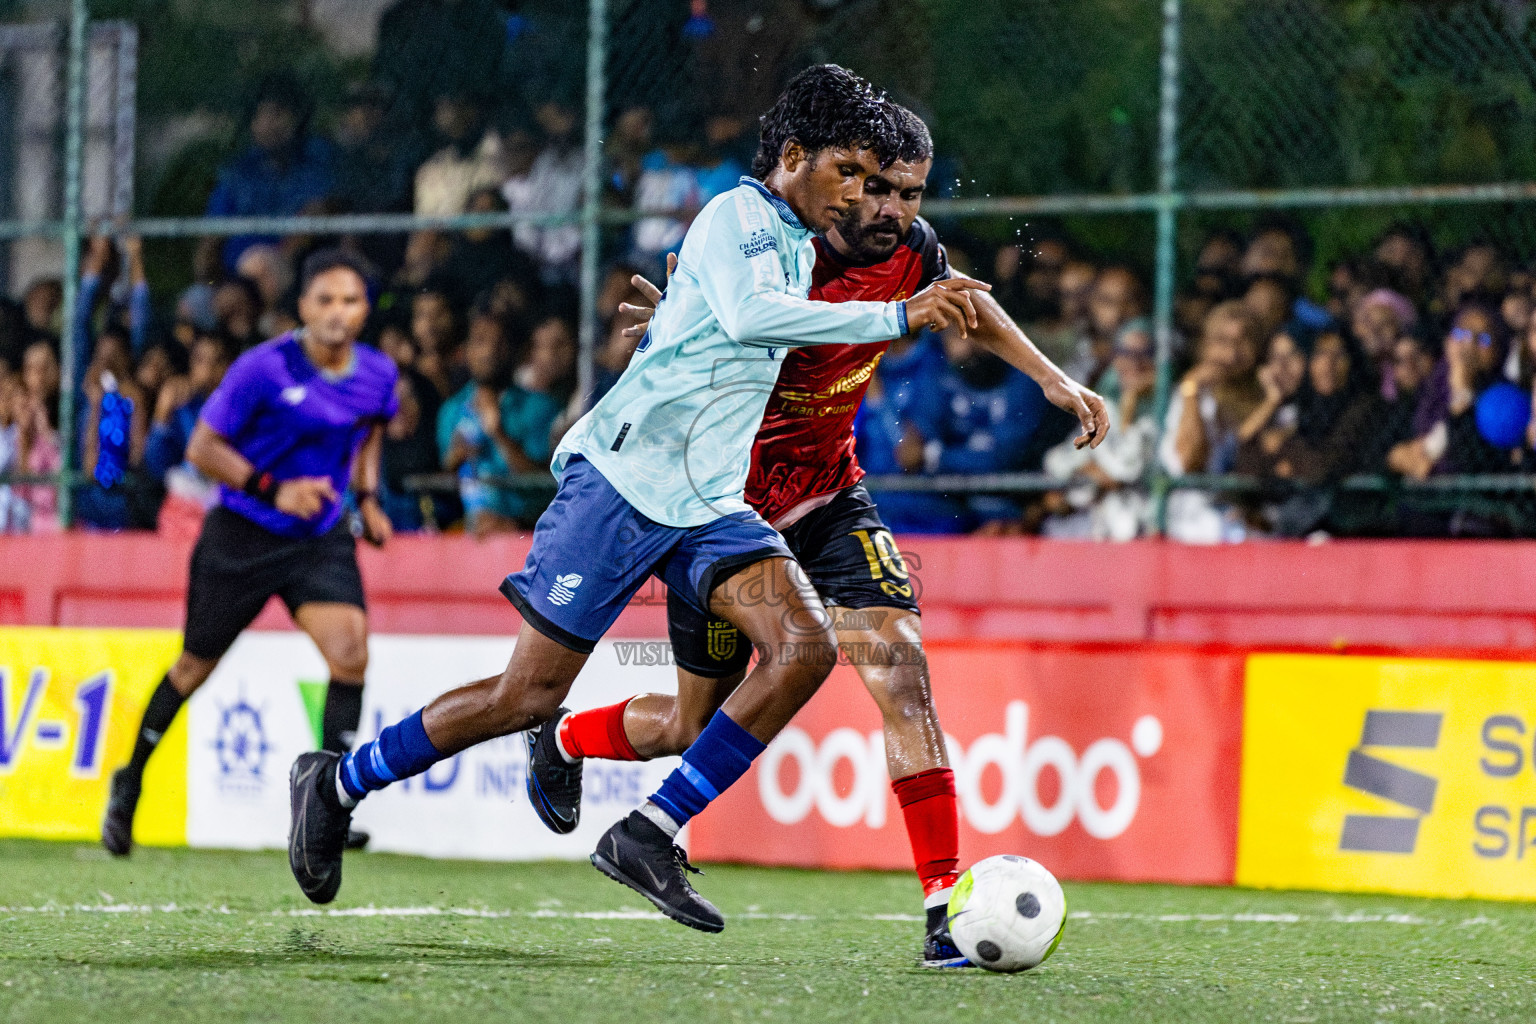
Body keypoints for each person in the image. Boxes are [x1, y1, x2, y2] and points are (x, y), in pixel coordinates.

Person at [284, 65, 995, 933]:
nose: (860, 194)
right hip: (622, 486)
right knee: (525, 698)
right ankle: (340, 780)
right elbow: (749, 318)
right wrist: (898, 318)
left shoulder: (802, 242)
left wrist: (674, 317)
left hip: (708, 499)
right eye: (847, 172)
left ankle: (650, 832)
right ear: (796, 156)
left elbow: (718, 328)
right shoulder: (736, 215)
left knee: (803, 649)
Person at [524, 102, 1105, 964]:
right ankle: (567, 735)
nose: (894, 211)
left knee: (901, 671)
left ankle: (945, 913)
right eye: (877, 188)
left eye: (910, 193)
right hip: (724, 507)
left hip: (831, 494)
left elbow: (964, 310)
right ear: (844, 176)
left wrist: (1054, 380)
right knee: (692, 722)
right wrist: (681, 312)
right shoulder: (774, 245)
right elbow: (713, 326)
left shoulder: (913, 250)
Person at [102, 249, 397, 856]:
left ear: (365, 310)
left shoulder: (378, 374)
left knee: (350, 656)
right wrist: (273, 489)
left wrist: (366, 497)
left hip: (317, 537)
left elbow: (368, 432)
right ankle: (129, 781)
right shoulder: (263, 368)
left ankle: (326, 809)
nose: (338, 312)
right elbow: (204, 448)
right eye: (325, 299)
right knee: (193, 668)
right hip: (242, 534)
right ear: (303, 307)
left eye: (350, 300)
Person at [437, 309, 560, 533]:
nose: (489, 351)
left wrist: (498, 434)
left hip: (524, 535)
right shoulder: (451, 411)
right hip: (467, 538)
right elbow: (440, 488)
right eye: (480, 341)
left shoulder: (540, 408)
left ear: (513, 351)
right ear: (466, 350)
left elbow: (545, 486)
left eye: (499, 343)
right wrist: (453, 461)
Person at [202, 75, 335, 274]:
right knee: (196, 300)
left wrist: (281, 260)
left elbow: (319, 210)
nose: (268, 124)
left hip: (299, 275)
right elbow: (211, 240)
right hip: (237, 277)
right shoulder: (239, 172)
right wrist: (210, 278)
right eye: (260, 116)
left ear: (298, 118)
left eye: (277, 114)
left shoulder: (317, 160)